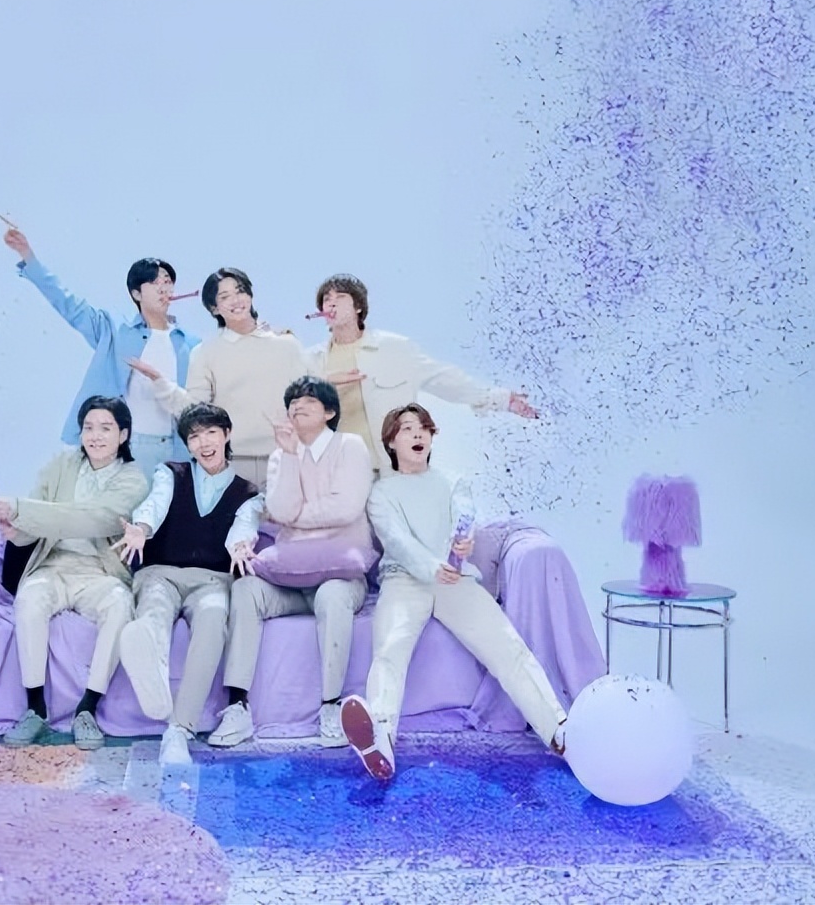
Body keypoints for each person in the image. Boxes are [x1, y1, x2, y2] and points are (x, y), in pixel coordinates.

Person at [341, 404, 568, 781]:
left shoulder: (452, 480)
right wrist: (432, 566)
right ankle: (380, 736)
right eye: (407, 429)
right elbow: (396, 541)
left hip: (456, 580)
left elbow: (463, 514)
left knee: (507, 646)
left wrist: (462, 543)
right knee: (390, 649)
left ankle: (558, 729)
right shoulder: (381, 493)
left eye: (424, 428)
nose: (418, 434)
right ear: (391, 443)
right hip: (405, 580)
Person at [207, 377, 375, 749]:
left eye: (308, 400)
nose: (297, 405)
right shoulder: (281, 455)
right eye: (293, 402)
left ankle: (331, 706)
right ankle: (237, 706)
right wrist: (291, 457)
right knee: (246, 588)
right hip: (289, 577)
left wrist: (295, 519)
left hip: (340, 574)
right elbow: (280, 510)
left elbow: (345, 507)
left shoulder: (350, 446)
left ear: (329, 411)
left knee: (332, 596)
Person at [0, 395, 150, 751]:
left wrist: (21, 509)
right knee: (29, 598)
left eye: (105, 428)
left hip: (100, 572)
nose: (95, 436)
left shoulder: (134, 479)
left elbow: (96, 518)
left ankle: (87, 708)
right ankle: (35, 709)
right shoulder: (60, 465)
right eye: (88, 428)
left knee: (120, 605)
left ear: (123, 435)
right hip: (54, 564)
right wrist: (16, 529)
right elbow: (34, 526)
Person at [114, 403, 263, 765]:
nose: (203, 443)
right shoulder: (171, 473)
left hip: (212, 580)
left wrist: (241, 545)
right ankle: (147, 652)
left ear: (227, 435)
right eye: (194, 437)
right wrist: (142, 528)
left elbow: (244, 526)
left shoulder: (249, 492)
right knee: (154, 607)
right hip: (161, 571)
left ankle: (179, 730)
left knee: (213, 618)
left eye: (211, 432)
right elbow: (156, 503)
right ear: (187, 444)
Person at [4, 227, 198, 478]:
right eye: (154, 282)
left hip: (176, 452)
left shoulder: (191, 344)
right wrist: (28, 256)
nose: (163, 288)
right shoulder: (113, 330)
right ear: (136, 293)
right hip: (125, 448)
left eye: (168, 282)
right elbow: (69, 305)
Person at [305, 273, 538, 473]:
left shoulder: (393, 349)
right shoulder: (311, 360)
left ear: (358, 306)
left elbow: (441, 378)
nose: (331, 304)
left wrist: (499, 399)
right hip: (339, 473)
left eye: (340, 297)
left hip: (391, 472)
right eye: (326, 300)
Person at [129, 267, 310, 488]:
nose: (236, 300)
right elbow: (195, 408)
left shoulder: (288, 345)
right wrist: (160, 382)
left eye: (240, 291)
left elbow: (310, 400)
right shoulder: (205, 352)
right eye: (224, 297)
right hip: (233, 461)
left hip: (286, 456)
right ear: (214, 308)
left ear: (250, 295)